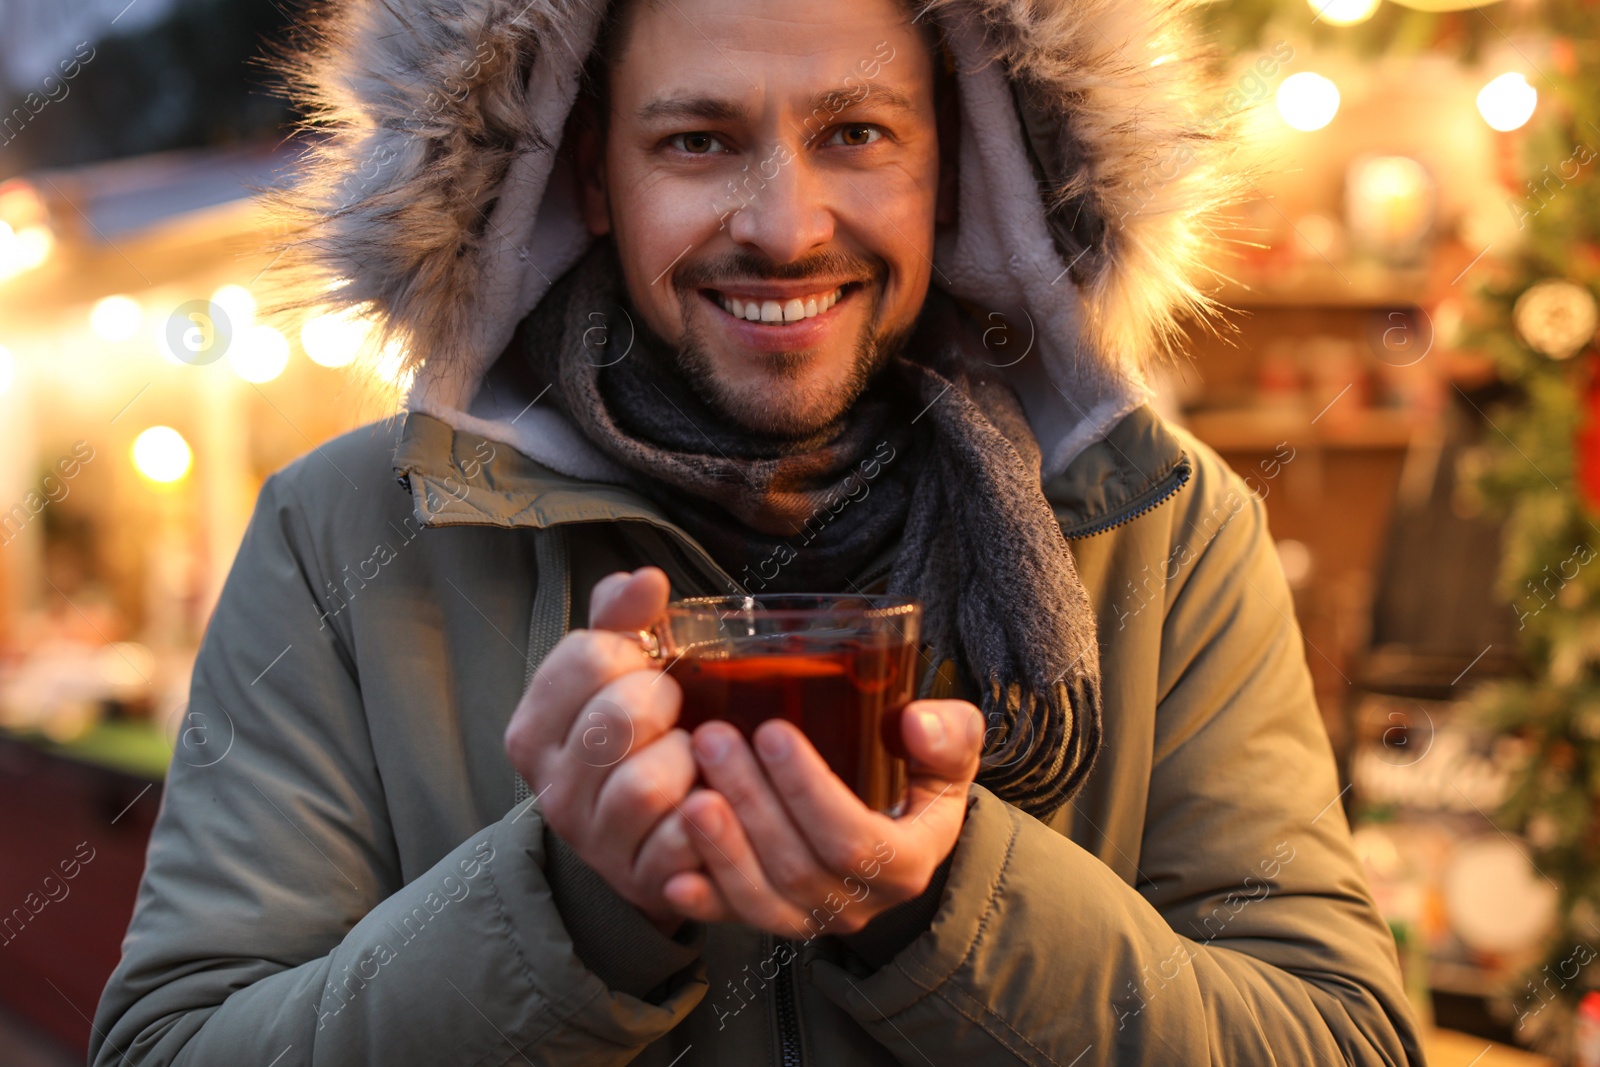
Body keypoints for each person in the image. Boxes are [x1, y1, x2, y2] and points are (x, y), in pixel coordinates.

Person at [91, 0, 1427, 1062]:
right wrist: (569, 908)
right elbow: (177, 1045)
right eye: (698, 141)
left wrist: (948, 906)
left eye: (857, 133)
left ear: (951, 163)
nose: (786, 227)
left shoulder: (1163, 531)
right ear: (588, 178)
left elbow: (1342, 1040)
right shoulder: (343, 541)